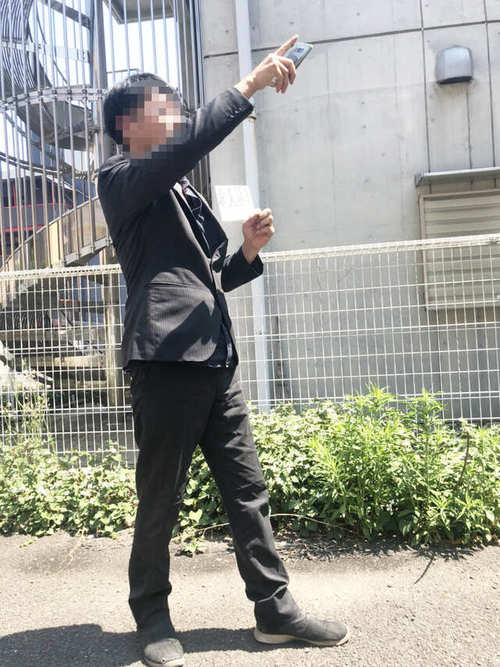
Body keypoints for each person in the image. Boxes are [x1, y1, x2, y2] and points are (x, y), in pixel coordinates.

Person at [98, 34, 349, 667]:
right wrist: (251, 84)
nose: (176, 110)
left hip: (216, 359)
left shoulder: (181, 192)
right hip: (164, 362)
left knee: (247, 491)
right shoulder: (122, 178)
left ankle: (275, 610)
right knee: (161, 495)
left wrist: (246, 252)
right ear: (127, 124)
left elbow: (210, 278)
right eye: (163, 104)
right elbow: (191, 143)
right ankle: (151, 614)